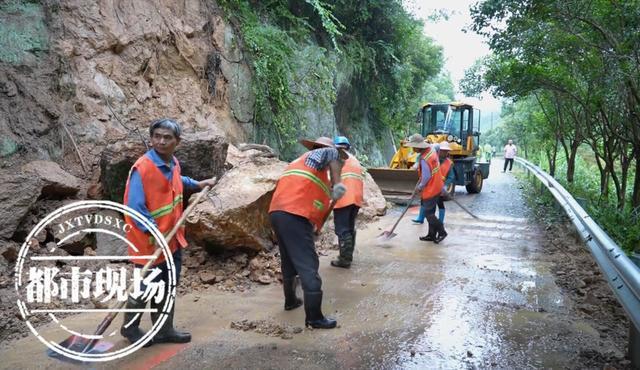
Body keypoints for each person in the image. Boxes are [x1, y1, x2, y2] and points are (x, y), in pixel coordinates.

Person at [121, 118, 217, 346]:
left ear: (177, 142)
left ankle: (163, 329)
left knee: (167, 286)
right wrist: (155, 233)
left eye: (167, 138)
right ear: (151, 138)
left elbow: (176, 181)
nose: (161, 142)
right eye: (157, 136)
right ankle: (130, 329)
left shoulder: (172, 162)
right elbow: (135, 208)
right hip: (149, 242)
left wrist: (197, 184)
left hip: (171, 240)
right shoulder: (142, 168)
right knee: (144, 287)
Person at [268, 137, 347, 329]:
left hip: (278, 212)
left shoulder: (303, 166)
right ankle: (314, 318)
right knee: (308, 265)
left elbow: (312, 203)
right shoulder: (318, 155)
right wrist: (338, 184)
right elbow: (334, 154)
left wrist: (314, 227)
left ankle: (291, 301)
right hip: (294, 214)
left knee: (289, 260)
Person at [405, 134, 447, 243]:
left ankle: (442, 232)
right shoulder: (431, 150)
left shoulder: (424, 158)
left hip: (431, 188)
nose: (413, 149)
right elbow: (437, 145)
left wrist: (420, 187)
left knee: (429, 214)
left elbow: (427, 177)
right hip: (437, 186)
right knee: (431, 212)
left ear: (419, 146)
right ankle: (431, 235)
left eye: (414, 147)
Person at [330, 136, 364, 269]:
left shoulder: (336, 158)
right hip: (356, 198)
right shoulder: (354, 159)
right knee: (349, 227)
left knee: (342, 229)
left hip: (344, 197)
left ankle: (344, 259)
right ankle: (348, 255)